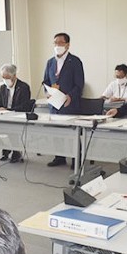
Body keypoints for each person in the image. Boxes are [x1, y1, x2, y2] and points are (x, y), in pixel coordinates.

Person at [42, 32, 84, 167]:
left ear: (68, 45)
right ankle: (59, 157)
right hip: (54, 104)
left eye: (60, 42)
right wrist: (47, 92)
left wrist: (69, 96)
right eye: (55, 43)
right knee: (56, 132)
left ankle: (76, 159)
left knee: (72, 133)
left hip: (69, 103)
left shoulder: (75, 61)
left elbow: (79, 84)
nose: (57, 45)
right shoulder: (50, 62)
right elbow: (46, 81)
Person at [0, 64, 31, 163]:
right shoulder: (3, 87)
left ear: (14, 76)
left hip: (18, 117)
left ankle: (16, 152)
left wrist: (8, 109)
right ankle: (5, 147)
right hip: (5, 116)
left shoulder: (23, 87)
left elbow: (24, 107)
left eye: (7, 78)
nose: (5, 80)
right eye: (3, 78)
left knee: (11, 128)